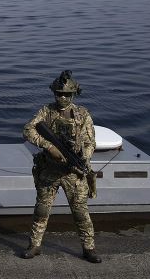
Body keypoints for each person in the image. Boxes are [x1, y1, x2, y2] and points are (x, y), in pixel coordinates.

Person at [21, 70, 102, 263]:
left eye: (67, 94)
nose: (63, 98)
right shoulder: (46, 112)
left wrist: (85, 158)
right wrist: (48, 146)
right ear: (54, 93)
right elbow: (28, 129)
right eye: (59, 94)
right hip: (49, 170)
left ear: (73, 95)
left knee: (80, 212)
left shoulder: (82, 114)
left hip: (73, 173)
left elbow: (91, 142)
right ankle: (34, 245)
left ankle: (89, 248)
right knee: (41, 210)